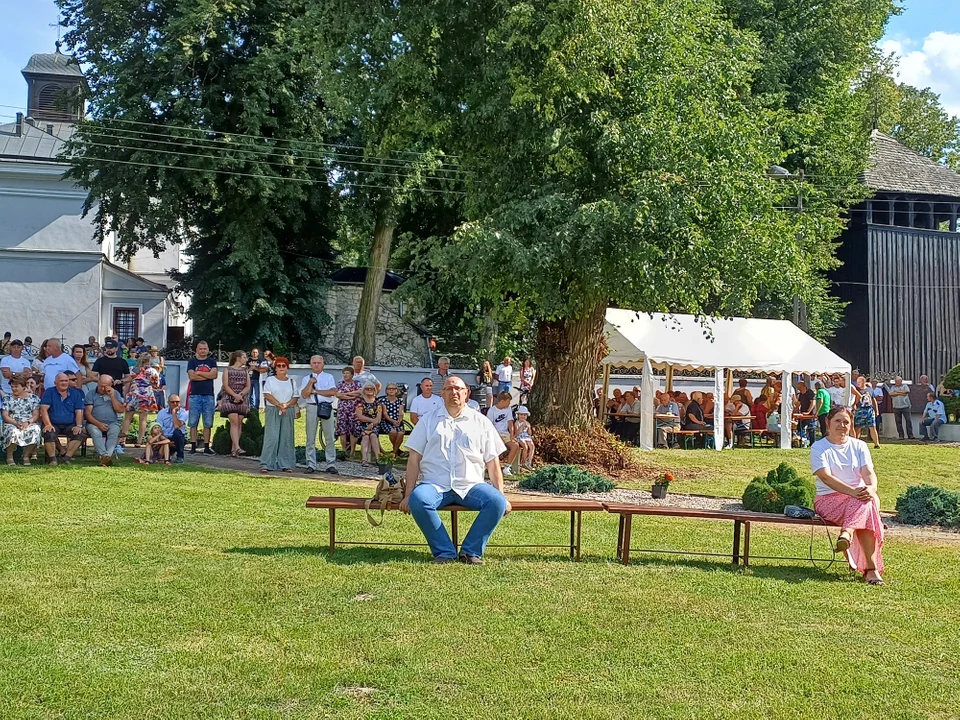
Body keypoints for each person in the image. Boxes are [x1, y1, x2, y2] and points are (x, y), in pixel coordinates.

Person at [400, 376, 511, 565]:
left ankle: (470, 552)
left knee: (496, 502)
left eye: (458, 389)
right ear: (442, 393)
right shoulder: (428, 421)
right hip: (435, 484)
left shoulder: (481, 422)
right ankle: (444, 552)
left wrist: (501, 495)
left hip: (471, 486)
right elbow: (414, 458)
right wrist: (408, 494)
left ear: (466, 393)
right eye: (449, 389)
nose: (454, 392)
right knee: (419, 499)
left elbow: (492, 462)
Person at [810, 406, 885, 585]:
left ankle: (847, 534)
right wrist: (854, 492)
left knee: (869, 501)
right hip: (828, 500)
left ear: (851, 425)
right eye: (838, 421)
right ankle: (871, 570)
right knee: (868, 505)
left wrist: (871, 488)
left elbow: (868, 473)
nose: (842, 425)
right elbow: (826, 477)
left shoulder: (859, 446)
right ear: (828, 423)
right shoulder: (819, 447)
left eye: (846, 422)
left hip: (859, 498)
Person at [300, 354, 338, 474]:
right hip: (311, 407)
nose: (316, 365)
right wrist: (310, 383)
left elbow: (332, 392)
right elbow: (305, 394)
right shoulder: (307, 378)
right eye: (314, 363)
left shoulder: (328, 377)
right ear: (311, 364)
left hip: (326, 407)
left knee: (330, 437)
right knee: (310, 437)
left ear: (323, 364)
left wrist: (315, 391)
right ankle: (311, 464)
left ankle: (330, 463)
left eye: (318, 363)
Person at [39, 373, 86, 465]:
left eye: (66, 381)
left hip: (70, 424)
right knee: (49, 434)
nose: (64, 383)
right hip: (53, 423)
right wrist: (48, 424)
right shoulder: (49, 392)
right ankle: (52, 459)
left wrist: (78, 425)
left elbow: (79, 411)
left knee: (79, 433)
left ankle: (66, 458)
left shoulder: (75, 393)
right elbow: (44, 409)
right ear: (55, 382)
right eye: (61, 381)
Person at [260, 357, 297, 473]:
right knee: (271, 437)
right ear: (275, 368)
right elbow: (267, 395)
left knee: (286, 437)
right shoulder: (270, 380)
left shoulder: (292, 381)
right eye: (279, 366)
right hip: (273, 409)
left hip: (288, 410)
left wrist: (286, 405)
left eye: (283, 366)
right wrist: (279, 405)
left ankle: (286, 464)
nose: (281, 368)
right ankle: (266, 463)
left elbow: (295, 397)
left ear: (287, 368)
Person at [84, 374, 124, 466]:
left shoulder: (115, 393)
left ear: (111, 385)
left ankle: (106, 458)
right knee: (96, 432)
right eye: (101, 385)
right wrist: (98, 424)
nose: (102, 388)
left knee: (114, 432)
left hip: (112, 422)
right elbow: (87, 413)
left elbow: (120, 410)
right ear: (98, 382)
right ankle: (105, 455)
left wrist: (112, 396)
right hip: (93, 422)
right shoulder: (91, 394)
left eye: (105, 386)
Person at [120, 355, 160, 447]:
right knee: (143, 418)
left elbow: (128, 382)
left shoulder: (132, 369)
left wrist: (125, 395)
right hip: (146, 395)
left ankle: (123, 440)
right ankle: (139, 441)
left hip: (134, 393)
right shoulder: (153, 371)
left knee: (127, 418)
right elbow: (156, 384)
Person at [187, 340, 219, 455]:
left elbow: (214, 375)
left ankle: (206, 447)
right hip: (195, 395)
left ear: (208, 349)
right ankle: (193, 446)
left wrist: (199, 373)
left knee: (208, 422)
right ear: (197, 349)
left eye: (205, 348)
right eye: (200, 348)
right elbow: (192, 376)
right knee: (193, 422)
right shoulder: (192, 362)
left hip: (208, 395)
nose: (203, 350)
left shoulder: (211, 361)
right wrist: (207, 375)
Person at [2, 377, 41, 466]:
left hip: (28, 422)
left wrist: (27, 423)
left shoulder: (34, 398)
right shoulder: (7, 398)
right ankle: (9, 456)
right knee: (13, 431)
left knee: (36, 429)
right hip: (12, 422)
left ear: (24, 387)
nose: (13, 389)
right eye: (12, 387)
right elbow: (5, 415)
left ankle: (26, 456)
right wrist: (16, 423)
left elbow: (36, 415)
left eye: (16, 386)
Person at [220, 351, 251, 457]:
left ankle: (234, 449)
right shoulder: (227, 370)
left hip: (242, 399)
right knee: (234, 421)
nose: (246, 359)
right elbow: (226, 385)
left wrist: (240, 395)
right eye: (244, 357)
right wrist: (234, 395)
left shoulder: (245, 370)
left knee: (239, 422)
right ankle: (237, 447)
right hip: (229, 399)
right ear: (238, 358)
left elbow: (247, 386)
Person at [486, 391, 520, 476]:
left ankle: (507, 467)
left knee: (515, 445)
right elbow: (489, 426)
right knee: (497, 448)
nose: (509, 404)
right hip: (495, 433)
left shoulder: (508, 409)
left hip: (505, 434)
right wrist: (497, 436)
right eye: (508, 401)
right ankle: (493, 468)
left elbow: (510, 422)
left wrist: (512, 434)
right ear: (502, 401)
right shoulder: (492, 410)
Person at [335, 367, 363, 459]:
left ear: (352, 375)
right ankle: (343, 450)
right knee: (342, 430)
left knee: (352, 431)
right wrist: (351, 396)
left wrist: (345, 394)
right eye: (344, 373)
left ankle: (352, 451)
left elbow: (359, 393)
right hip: (342, 409)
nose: (345, 375)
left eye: (347, 373)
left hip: (354, 410)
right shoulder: (340, 384)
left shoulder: (357, 383)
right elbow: (338, 395)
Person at [355, 383, 382, 466]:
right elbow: (359, 416)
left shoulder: (378, 402)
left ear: (374, 390)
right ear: (364, 390)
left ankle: (379, 459)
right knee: (366, 437)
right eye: (367, 388)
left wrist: (372, 424)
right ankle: (364, 460)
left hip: (374, 425)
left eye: (371, 389)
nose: (369, 390)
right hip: (362, 424)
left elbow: (378, 418)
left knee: (373, 435)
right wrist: (370, 422)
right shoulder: (360, 401)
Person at [156, 395, 188, 463]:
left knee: (178, 432)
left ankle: (180, 457)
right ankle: (167, 454)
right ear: (168, 403)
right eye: (172, 402)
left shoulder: (183, 413)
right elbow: (159, 430)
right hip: (164, 438)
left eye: (177, 402)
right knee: (160, 457)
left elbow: (177, 426)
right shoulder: (161, 413)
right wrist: (167, 441)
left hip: (177, 438)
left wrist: (174, 413)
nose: (175, 404)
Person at [852, 375, 881, 449]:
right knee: (858, 427)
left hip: (869, 410)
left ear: (863, 382)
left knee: (872, 427)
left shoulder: (870, 390)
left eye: (859, 382)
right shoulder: (856, 390)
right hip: (859, 410)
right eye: (857, 382)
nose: (857, 383)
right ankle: (856, 443)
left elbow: (873, 400)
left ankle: (876, 444)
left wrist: (876, 410)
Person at [379, 383, 406, 459]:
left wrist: (399, 421)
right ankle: (396, 452)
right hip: (387, 421)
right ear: (386, 390)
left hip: (398, 421)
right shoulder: (383, 400)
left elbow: (401, 413)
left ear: (396, 390)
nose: (391, 390)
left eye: (393, 389)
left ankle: (394, 452)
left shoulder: (400, 401)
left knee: (400, 433)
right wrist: (393, 421)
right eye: (389, 388)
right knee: (393, 432)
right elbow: (385, 414)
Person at [794, 381, 816, 446]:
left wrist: (808, 412)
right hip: (802, 413)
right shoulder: (801, 394)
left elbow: (813, 403)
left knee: (810, 428)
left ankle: (812, 443)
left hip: (810, 414)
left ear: (803, 387)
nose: (799, 390)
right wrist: (795, 410)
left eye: (800, 388)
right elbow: (799, 403)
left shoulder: (810, 392)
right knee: (800, 428)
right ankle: (802, 441)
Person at [514, 405, 535, 469]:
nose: (523, 416)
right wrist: (521, 427)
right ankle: (524, 461)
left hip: (526, 436)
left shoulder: (527, 423)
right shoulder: (517, 423)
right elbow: (516, 433)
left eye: (524, 415)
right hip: (520, 436)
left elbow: (529, 433)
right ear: (518, 415)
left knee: (532, 446)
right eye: (521, 415)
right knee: (525, 446)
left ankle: (529, 461)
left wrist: (528, 428)